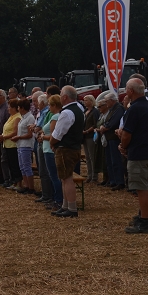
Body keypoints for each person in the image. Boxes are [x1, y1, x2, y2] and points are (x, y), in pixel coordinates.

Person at [119, 78, 148, 233]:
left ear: (131, 91)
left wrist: (123, 146)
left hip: (138, 153)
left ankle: (144, 222)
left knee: (141, 189)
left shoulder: (134, 108)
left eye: (126, 89)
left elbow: (127, 134)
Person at [49, 86, 85, 218]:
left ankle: (71, 208)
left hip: (66, 149)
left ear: (65, 97)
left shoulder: (66, 113)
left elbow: (58, 133)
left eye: (61, 95)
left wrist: (52, 142)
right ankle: (65, 206)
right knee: (65, 178)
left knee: (67, 178)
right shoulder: (79, 110)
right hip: (74, 147)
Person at [38, 95, 63, 211]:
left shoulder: (55, 117)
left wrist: (43, 136)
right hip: (48, 149)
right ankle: (56, 199)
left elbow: (53, 136)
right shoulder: (57, 116)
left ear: (54, 105)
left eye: (49, 105)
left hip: (50, 150)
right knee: (53, 176)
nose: (48, 107)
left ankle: (58, 200)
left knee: (54, 176)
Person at [98, 90, 125, 190]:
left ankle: (119, 181)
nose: (106, 103)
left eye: (107, 101)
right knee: (109, 161)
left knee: (116, 160)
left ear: (112, 100)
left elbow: (114, 122)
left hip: (114, 138)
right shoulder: (112, 109)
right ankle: (112, 180)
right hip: (109, 138)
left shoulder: (118, 109)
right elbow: (107, 121)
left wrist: (105, 127)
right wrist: (104, 126)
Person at [13, 98, 36, 194]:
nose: (18, 109)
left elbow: (30, 134)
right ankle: (26, 186)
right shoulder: (23, 117)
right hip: (20, 144)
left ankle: (31, 187)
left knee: (26, 166)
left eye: (18, 107)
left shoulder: (30, 117)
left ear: (22, 108)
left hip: (26, 145)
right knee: (22, 166)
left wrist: (19, 137)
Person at [0, 99, 22, 190]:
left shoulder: (17, 117)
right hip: (7, 144)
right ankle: (14, 182)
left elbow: (15, 132)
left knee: (15, 164)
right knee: (10, 164)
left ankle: (19, 183)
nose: (8, 109)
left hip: (13, 144)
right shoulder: (11, 116)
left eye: (9, 107)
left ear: (14, 108)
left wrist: (4, 137)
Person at [82, 95, 98, 183]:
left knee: (92, 156)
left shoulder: (94, 111)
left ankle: (94, 176)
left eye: (86, 100)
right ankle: (89, 175)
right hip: (85, 136)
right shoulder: (85, 111)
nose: (84, 102)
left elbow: (95, 124)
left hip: (91, 136)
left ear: (91, 101)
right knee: (87, 157)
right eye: (84, 100)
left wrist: (87, 131)